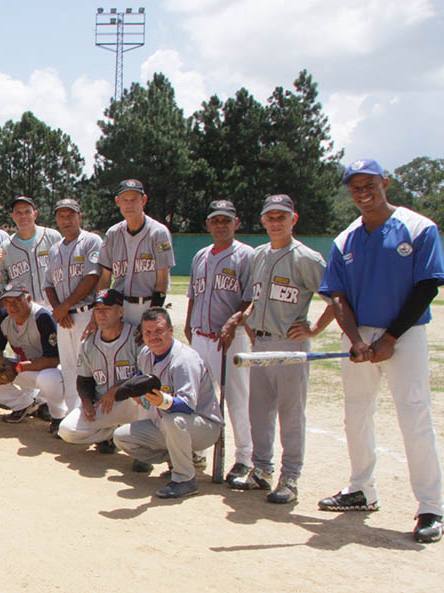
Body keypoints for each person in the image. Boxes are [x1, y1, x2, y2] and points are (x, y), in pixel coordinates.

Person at [316, 158, 444, 544]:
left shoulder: (419, 227)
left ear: (385, 182)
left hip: (404, 334)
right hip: (359, 337)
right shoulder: (345, 238)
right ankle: (361, 489)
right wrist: (356, 339)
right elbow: (337, 295)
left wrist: (389, 338)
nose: (362, 192)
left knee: (414, 414)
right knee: (356, 414)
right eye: (354, 187)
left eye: (368, 183)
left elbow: (426, 287)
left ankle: (431, 507)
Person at [221, 194, 334, 504]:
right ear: (263, 221)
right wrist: (244, 322)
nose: (275, 222)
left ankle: (291, 477)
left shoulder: (307, 258)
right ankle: (261, 470)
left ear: (293, 219)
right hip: (261, 343)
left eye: (281, 216)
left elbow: (335, 299)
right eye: (270, 217)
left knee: (291, 413)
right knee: (259, 411)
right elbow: (254, 300)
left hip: (289, 343)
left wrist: (314, 328)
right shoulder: (258, 256)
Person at [113, 308, 224, 499]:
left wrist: (163, 401)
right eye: (148, 332)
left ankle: (185, 479)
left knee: (173, 420)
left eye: (159, 331)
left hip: (204, 426)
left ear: (170, 330)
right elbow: (143, 376)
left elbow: (188, 405)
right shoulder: (146, 354)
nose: (153, 336)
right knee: (122, 437)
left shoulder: (184, 360)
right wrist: (132, 389)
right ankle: (182, 460)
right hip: (169, 426)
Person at [184, 200, 255, 484]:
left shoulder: (246, 255)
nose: (221, 225)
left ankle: (244, 458)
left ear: (236, 223)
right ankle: (198, 449)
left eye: (226, 220)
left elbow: (251, 299)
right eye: (216, 220)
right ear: (208, 224)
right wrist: (189, 326)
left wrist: (234, 321)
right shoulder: (200, 255)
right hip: (201, 336)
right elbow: (193, 295)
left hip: (230, 338)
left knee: (237, 398)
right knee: (200, 397)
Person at [57, 289, 146, 452]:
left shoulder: (136, 337)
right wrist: (86, 402)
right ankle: (112, 434)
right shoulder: (88, 343)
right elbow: (84, 379)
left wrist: (118, 388)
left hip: (132, 403)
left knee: (144, 398)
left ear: (120, 311)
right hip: (104, 405)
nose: (101, 314)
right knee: (67, 430)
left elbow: (147, 377)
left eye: (107, 309)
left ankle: (141, 443)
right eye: (97, 309)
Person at [0, 284, 65, 426]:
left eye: (17, 300)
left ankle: (57, 416)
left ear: (29, 298)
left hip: (49, 371)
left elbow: (54, 360)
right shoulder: (3, 316)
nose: (12, 306)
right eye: (7, 302)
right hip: (24, 369)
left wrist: (21, 366)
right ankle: (23, 405)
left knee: (48, 378)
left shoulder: (42, 317)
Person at [43, 198, 102, 416]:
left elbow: (92, 277)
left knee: (89, 367)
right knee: (68, 368)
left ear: (80, 216)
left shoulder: (91, 241)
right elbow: (48, 284)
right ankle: (71, 416)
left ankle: (95, 419)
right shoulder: (55, 249)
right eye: (61, 216)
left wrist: (64, 307)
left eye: (70, 215)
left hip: (86, 314)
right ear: (56, 219)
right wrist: (59, 309)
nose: (66, 220)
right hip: (64, 319)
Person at [96, 179, 175, 325]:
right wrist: (102, 308)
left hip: (148, 304)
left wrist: (153, 315)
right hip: (119, 306)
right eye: (125, 199)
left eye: (134, 199)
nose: (129, 204)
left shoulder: (159, 233)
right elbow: (105, 277)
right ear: (117, 201)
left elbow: (162, 278)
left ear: (143, 200)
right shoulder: (112, 233)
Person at [0, 196, 62, 306]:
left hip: (54, 304)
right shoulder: (6, 246)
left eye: (27, 212)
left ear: (35, 214)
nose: (23, 216)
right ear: (13, 217)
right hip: (24, 308)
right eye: (18, 213)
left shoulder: (53, 237)